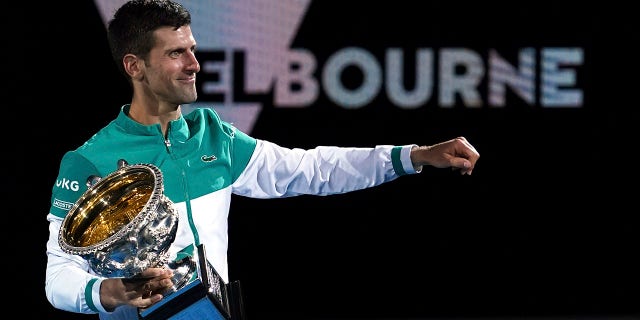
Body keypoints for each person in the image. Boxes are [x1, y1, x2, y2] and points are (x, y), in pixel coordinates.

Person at [44, 0, 480, 319]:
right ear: (134, 66)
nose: (194, 64)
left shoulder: (213, 135)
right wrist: (111, 292)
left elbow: (309, 169)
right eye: (176, 53)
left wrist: (414, 156)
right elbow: (58, 276)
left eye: (192, 49)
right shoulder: (88, 161)